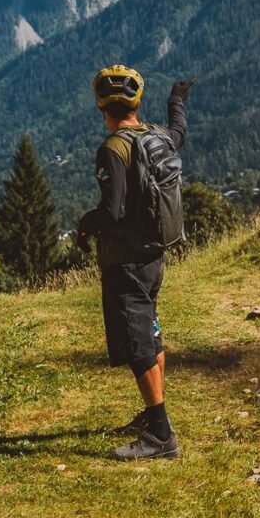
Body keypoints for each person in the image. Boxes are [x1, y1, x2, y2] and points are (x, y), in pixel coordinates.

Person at [77, 65, 193, 461]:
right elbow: (179, 134)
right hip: (154, 256)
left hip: (125, 262)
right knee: (151, 332)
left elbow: (111, 212)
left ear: (101, 106)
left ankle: (161, 435)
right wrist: (176, 101)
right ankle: (151, 416)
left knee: (139, 342)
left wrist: (84, 225)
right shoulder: (156, 136)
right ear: (136, 103)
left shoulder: (114, 149)